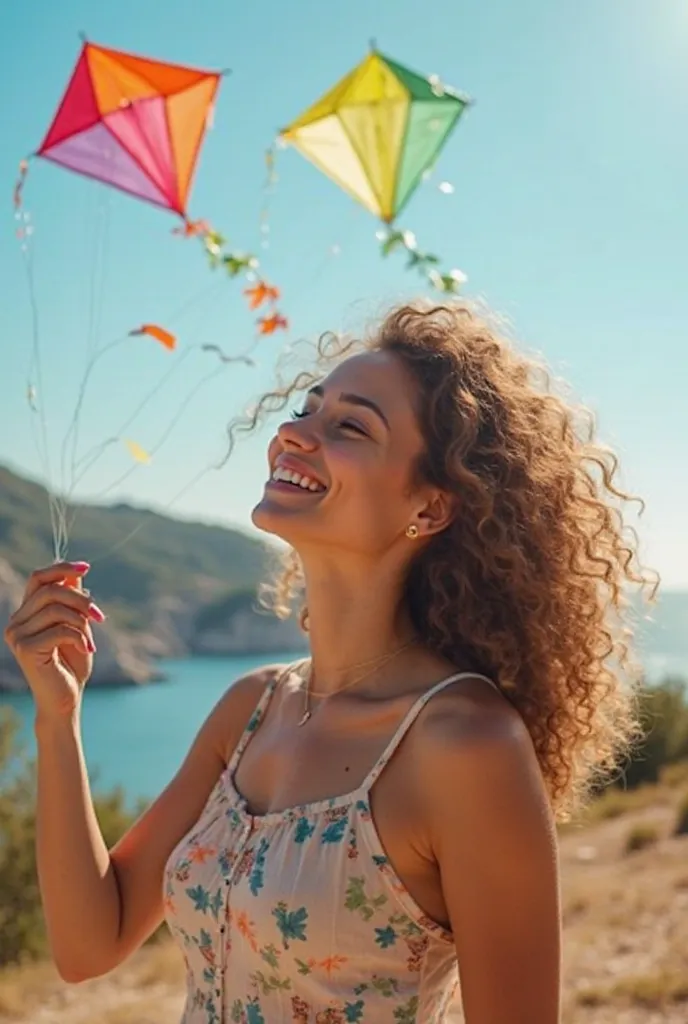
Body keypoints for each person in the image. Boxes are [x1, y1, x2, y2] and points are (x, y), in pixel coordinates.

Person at [4, 300, 655, 1023]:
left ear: (432, 509)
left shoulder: (466, 745)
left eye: (349, 425)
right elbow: (88, 945)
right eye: (306, 409)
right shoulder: (249, 710)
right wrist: (58, 718)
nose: (293, 433)